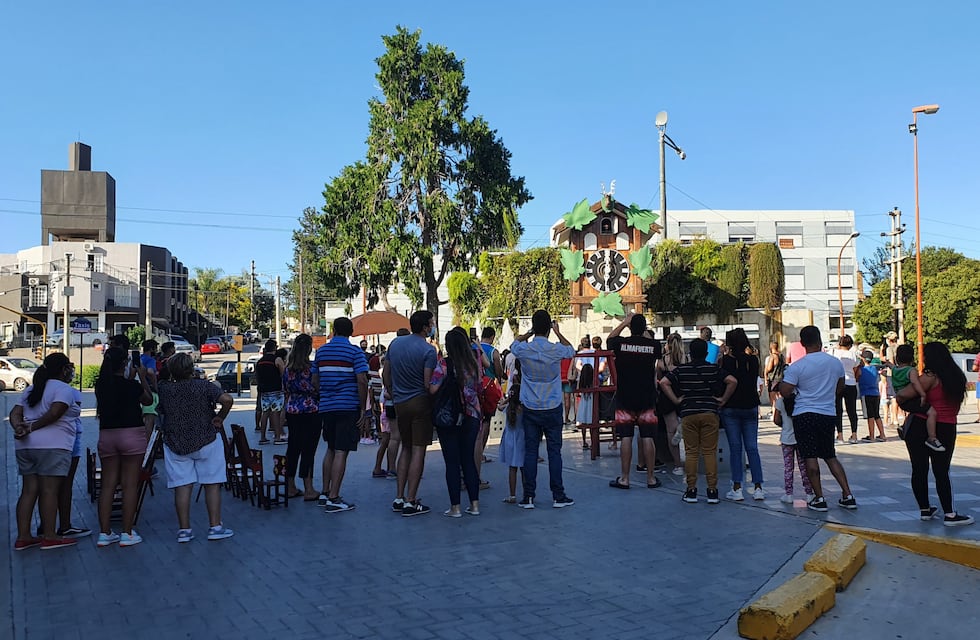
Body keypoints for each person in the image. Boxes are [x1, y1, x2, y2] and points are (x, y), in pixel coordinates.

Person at [157, 353, 235, 543]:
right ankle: (215, 527)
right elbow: (226, 399)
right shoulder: (203, 386)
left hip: (176, 442)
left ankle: (184, 530)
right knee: (212, 484)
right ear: (191, 368)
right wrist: (220, 417)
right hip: (206, 438)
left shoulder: (164, 389)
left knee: (182, 486)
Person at [779, 325, 857, 512]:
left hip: (804, 414)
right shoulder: (834, 363)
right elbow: (840, 387)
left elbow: (785, 391)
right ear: (820, 340)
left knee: (810, 456)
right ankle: (848, 494)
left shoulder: (798, 366)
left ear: (803, 343)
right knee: (830, 455)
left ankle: (819, 498)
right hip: (828, 413)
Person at [8, 353, 79, 550]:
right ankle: (50, 535)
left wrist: (19, 428)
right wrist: (32, 427)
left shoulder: (31, 389)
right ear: (64, 369)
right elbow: (55, 413)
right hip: (53, 446)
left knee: (29, 490)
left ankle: (23, 536)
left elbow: (15, 413)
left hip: (25, 446)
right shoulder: (63, 389)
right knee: (49, 490)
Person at [897, 342, 973, 526]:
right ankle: (950, 514)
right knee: (942, 471)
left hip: (920, 425)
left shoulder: (929, 377)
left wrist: (917, 406)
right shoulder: (957, 377)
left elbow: (901, 396)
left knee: (919, 469)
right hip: (947, 427)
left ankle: (925, 509)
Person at [509, 310, 576, 509]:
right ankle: (558, 496)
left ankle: (528, 496)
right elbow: (571, 350)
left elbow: (513, 345)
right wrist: (557, 332)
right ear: (549, 328)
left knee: (530, 452)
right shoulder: (555, 349)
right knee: (554, 452)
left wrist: (529, 333)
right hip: (553, 405)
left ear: (533, 327)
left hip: (530, 406)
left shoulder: (524, 350)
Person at [660, 339, 736, 505]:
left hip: (689, 414)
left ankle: (691, 490)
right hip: (710, 413)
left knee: (692, 452)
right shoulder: (714, 369)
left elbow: (664, 382)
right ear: (707, 354)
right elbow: (732, 381)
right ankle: (712, 491)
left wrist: (676, 400)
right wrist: (723, 399)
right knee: (709, 452)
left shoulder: (682, 370)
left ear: (690, 354)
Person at [94, 347, 153, 547]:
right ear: (125, 364)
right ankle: (127, 533)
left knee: (108, 485)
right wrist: (141, 378)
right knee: (129, 485)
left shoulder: (100, 385)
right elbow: (148, 400)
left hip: (107, 434)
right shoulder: (131, 386)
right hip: (131, 434)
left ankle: (104, 532)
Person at [382, 310, 438, 517]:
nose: (432, 326)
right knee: (418, 450)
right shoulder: (428, 350)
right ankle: (411, 500)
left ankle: (399, 496)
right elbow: (427, 383)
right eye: (431, 323)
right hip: (420, 403)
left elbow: (386, 373)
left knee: (405, 448)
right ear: (425, 327)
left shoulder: (395, 344)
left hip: (400, 402)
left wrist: (392, 391)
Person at [314, 318, 370, 513]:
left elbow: (315, 379)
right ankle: (334, 497)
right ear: (351, 332)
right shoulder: (355, 352)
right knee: (341, 451)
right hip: (347, 406)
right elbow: (362, 380)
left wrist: (324, 394)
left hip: (327, 407)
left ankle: (324, 491)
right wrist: (363, 408)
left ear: (334, 330)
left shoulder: (321, 352)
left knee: (330, 448)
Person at [429, 327, 482, 517]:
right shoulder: (474, 365)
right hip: (472, 415)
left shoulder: (444, 364)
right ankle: (474, 505)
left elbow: (433, 389)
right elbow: (480, 388)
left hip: (449, 417)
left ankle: (455, 508)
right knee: (468, 460)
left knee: (452, 463)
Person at [606, 312, 662, 490]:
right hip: (647, 397)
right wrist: (641, 328)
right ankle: (651, 478)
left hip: (625, 397)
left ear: (630, 327)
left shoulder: (621, 344)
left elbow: (610, 338)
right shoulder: (653, 345)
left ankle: (624, 478)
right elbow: (654, 346)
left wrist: (625, 322)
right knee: (648, 436)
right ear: (644, 328)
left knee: (626, 437)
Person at [40, 361, 90, 539]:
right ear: (63, 370)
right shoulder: (68, 391)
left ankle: (45, 524)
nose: (72, 372)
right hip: (66, 441)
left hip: (42, 442)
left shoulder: (38, 389)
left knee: (43, 487)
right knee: (63, 485)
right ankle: (63, 525)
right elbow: (64, 413)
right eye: (70, 368)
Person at [720, 328, 765, 501]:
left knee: (735, 448)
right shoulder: (753, 361)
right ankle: (758, 486)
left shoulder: (725, 361)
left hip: (731, 407)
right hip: (750, 405)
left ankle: (737, 487)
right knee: (752, 448)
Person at [282, 334, 320, 501]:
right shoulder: (311, 369)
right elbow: (316, 389)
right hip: (310, 410)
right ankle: (308, 487)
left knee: (293, 447)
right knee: (308, 450)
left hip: (292, 410)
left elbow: (286, 390)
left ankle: (290, 485)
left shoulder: (287, 369)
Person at [891, 344, 942, 451]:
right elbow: (915, 383)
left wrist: (888, 364)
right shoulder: (911, 370)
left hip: (901, 399)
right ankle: (932, 438)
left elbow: (892, 366)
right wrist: (923, 394)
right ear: (912, 358)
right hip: (910, 398)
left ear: (897, 358)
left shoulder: (895, 369)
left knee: (914, 410)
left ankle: (904, 426)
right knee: (931, 412)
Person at [475, 327, 503, 488]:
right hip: (489, 389)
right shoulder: (493, 352)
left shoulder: (473, 347)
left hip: (475, 389)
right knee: (485, 423)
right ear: (492, 336)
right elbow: (498, 371)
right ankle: (481, 452)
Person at [773, 391, 813, 504]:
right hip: (800, 438)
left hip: (786, 438)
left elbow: (776, 420)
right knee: (804, 467)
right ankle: (809, 493)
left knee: (788, 467)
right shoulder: (801, 400)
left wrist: (785, 425)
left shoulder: (780, 401)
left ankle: (789, 494)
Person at [656, 332, 686, 475]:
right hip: (683, 395)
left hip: (667, 398)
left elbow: (659, 381)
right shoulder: (685, 359)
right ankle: (683, 426)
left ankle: (677, 464)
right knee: (690, 426)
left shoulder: (662, 361)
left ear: (667, 344)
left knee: (670, 431)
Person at [498, 358, 525, 503]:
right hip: (522, 439)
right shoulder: (524, 410)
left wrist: (507, 400)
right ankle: (527, 494)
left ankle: (512, 495)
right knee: (524, 468)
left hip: (510, 440)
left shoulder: (509, 408)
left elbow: (499, 407)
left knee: (512, 468)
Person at [255, 340, 286, 444]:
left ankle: (262, 437)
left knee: (265, 413)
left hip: (264, 391)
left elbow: (257, 376)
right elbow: (283, 374)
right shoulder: (277, 360)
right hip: (276, 390)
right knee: (276, 413)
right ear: (275, 348)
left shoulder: (260, 361)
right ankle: (277, 437)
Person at [832, 335, 860, 444]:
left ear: (840, 343)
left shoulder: (834, 353)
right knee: (852, 410)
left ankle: (840, 435)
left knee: (838, 410)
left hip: (837, 383)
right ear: (850, 345)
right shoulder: (853, 355)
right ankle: (854, 435)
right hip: (851, 383)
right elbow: (856, 369)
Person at [856, 351, 886, 442]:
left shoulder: (861, 370)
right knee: (877, 415)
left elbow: (857, 378)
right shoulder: (874, 368)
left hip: (866, 393)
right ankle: (882, 434)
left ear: (863, 359)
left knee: (870, 416)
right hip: (876, 393)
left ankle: (871, 435)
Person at [763, 342, 786, 415]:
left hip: (773, 379)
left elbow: (769, 368)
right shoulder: (782, 356)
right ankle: (781, 413)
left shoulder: (773, 356)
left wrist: (765, 372)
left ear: (771, 347)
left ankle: (774, 414)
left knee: (773, 400)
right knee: (780, 398)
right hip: (781, 379)